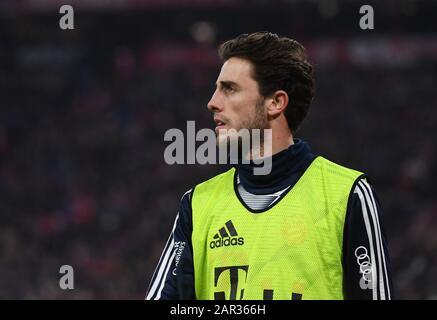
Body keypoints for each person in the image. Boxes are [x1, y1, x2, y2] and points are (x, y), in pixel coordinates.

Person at [146, 31, 393, 300]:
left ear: (275, 102)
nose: (212, 102)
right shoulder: (196, 205)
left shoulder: (348, 195)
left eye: (229, 88)